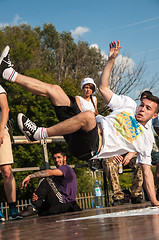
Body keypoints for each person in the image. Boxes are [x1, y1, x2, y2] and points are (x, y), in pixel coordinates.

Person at [0, 41, 159, 206]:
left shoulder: (146, 139)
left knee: (89, 116)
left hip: (89, 147)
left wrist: (154, 201)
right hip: (79, 128)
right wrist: (111, 60)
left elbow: (147, 172)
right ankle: (9, 73)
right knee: (56, 91)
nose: (141, 109)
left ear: (154, 115)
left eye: (147, 109)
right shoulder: (128, 105)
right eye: (142, 105)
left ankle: (39, 134)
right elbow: (103, 87)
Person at [20, 150, 81, 217]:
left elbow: (49, 172)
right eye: (54, 158)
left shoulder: (66, 168)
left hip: (65, 202)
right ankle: (35, 205)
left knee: (45, 179)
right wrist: (37, 195)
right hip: (58, 201)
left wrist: (30, 176)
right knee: (43, 187)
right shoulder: (55, 177)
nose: (57, 160)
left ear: (65, 158)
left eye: (59, 157)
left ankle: (34, 207)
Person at [0, 84, 22, 221]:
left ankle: (13, 208)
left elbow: (5, 109)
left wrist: (1, 129)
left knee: (6, 170)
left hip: (1, 131)